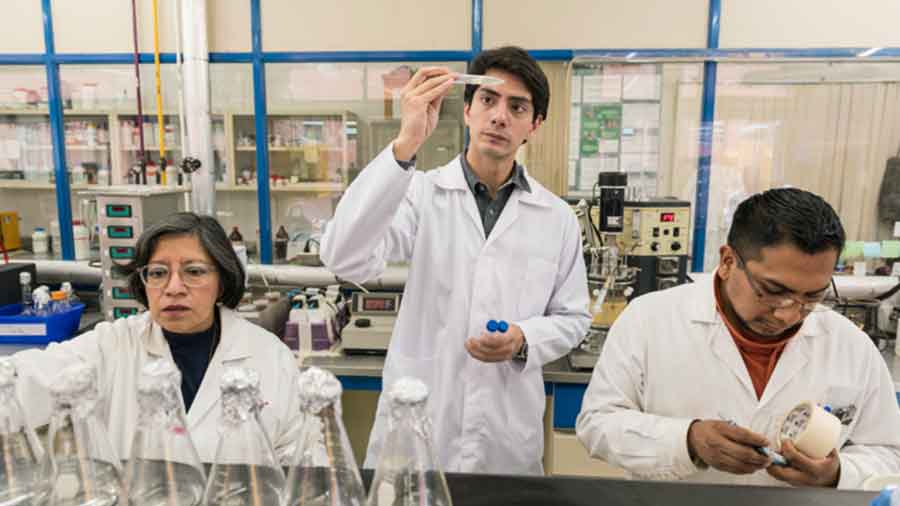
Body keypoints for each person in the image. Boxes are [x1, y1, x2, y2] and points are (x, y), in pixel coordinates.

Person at [321, 46, 591, 474]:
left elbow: (573, 317)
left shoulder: (556, 217)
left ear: (534, 125)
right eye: (487, 100)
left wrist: (523, 337)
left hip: (505, 441)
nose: (499, 116)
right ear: (467, 111)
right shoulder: (420, 193)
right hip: (421, 427)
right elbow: (343, 257)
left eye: (516, 106)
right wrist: (406, 143)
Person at [576, 188, 900, 488]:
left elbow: (889, 454)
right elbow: (598, 424)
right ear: (728, 261)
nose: (789, 314)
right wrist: (687, 440)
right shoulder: (649, 320)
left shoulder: (850, 346)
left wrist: (836, 474)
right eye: (773, 292)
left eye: (813, 297)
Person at [12, 212, 300, 462]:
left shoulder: (270, 356)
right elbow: (22, 382)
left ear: (222, 282)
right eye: (158, 272)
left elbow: (302, 461)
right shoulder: (111, 345)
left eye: (194, 271)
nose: (174, 287)